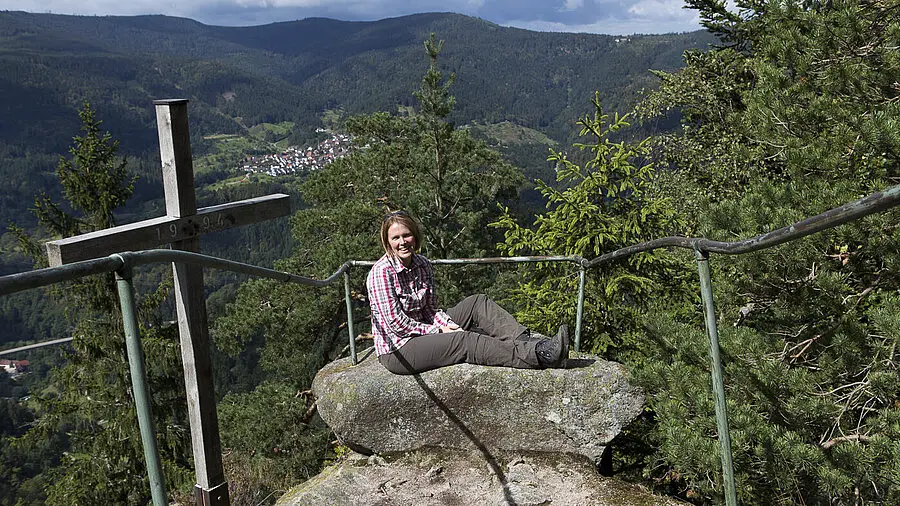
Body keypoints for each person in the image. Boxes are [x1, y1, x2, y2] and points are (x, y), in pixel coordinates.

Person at [366, 210, 568, 375]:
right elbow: (396, 324)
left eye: (406, 235)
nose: (402, 242)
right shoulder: (381, 273)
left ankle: (528, 343)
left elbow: (430, 309)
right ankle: (539, 355)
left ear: (415, 236)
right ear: (387, 242)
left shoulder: (422, 264)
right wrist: (439, 331)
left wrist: (445, 324)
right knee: (464, 341)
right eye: (396, 238)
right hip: (400, 348)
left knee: (477, 303)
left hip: (425, 328)